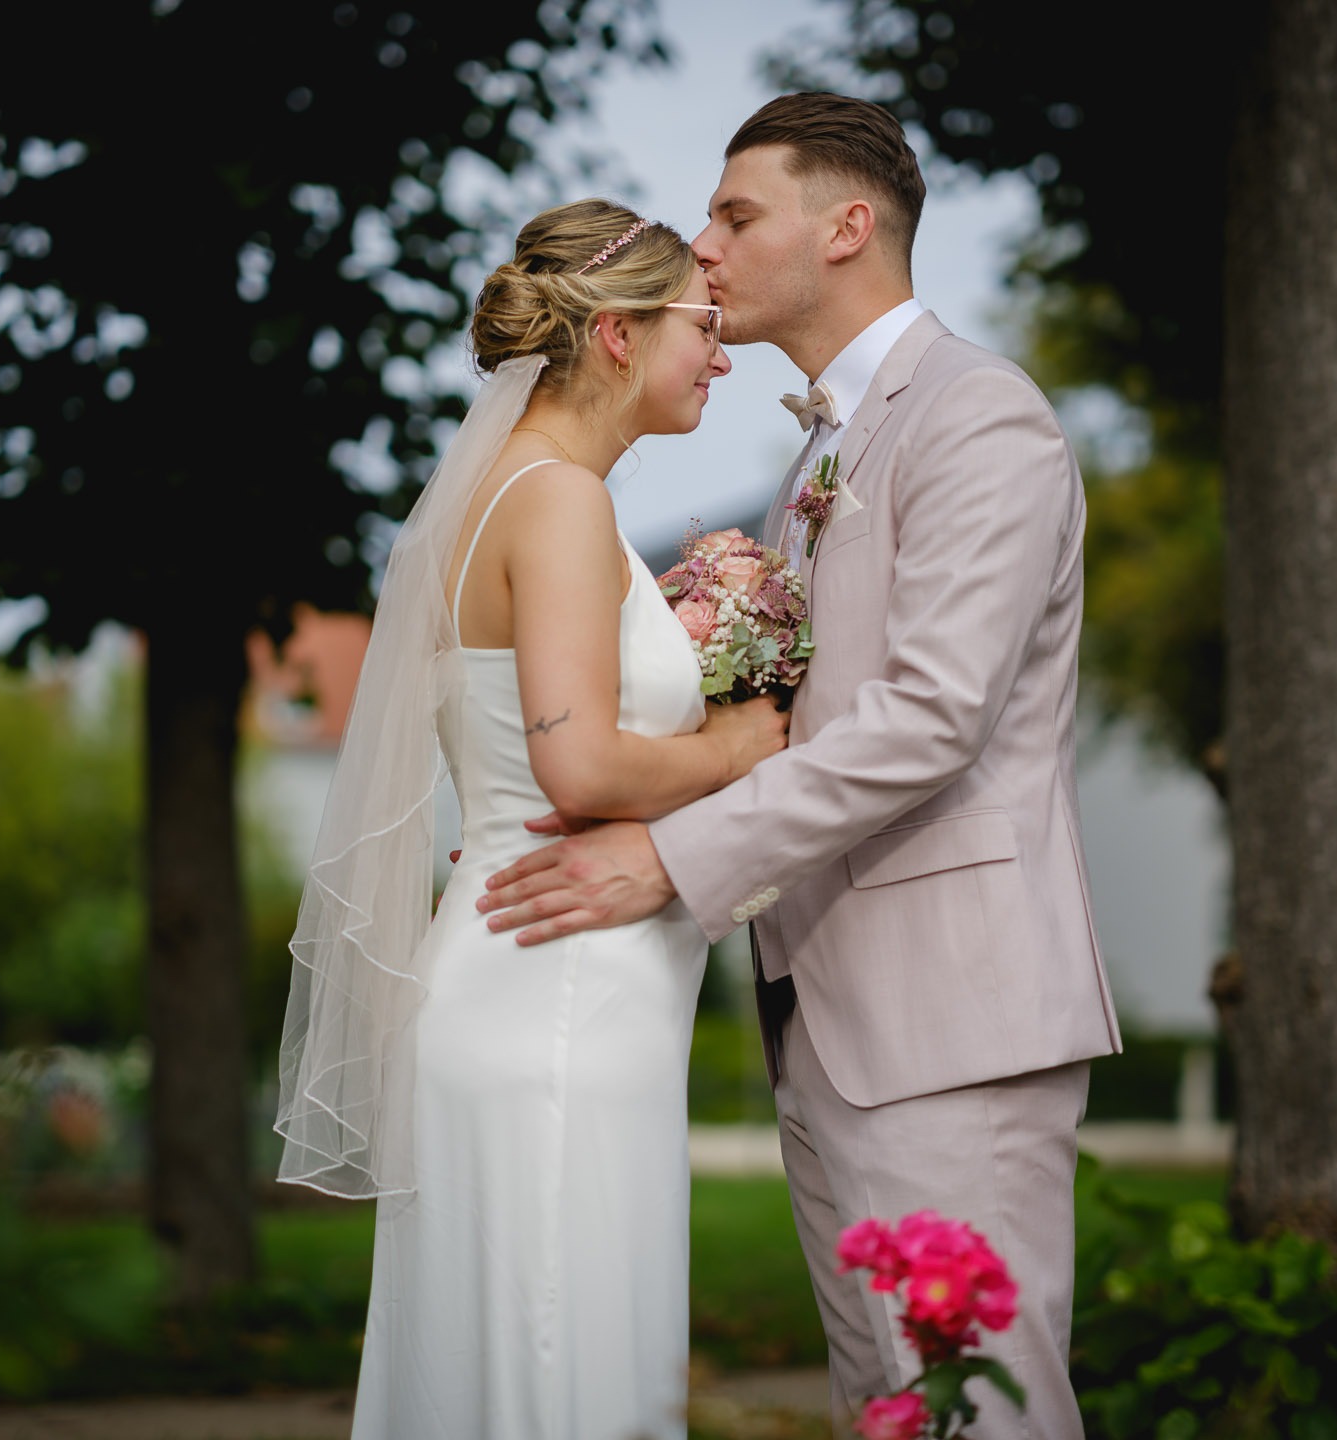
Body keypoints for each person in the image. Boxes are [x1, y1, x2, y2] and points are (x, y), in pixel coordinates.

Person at [480, 95, 1122, 1438]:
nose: (702, 250)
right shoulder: (819, 452)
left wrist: (666, 857)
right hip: (827, 1013)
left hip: (950, 1020)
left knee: (978, 1409)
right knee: (893, 1410)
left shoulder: (977, 419)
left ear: (848, 226)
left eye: (735, 214)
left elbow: (930, 719)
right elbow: (788, 714)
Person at [273, 198, 788, 1440]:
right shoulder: (554, 498)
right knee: (564, 1373)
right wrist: (744, 739)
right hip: (556, 1005)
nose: (720, 353)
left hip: (535, 974)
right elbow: (581, 768)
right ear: (615, 338)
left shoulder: (513, 495)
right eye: (699, 324)